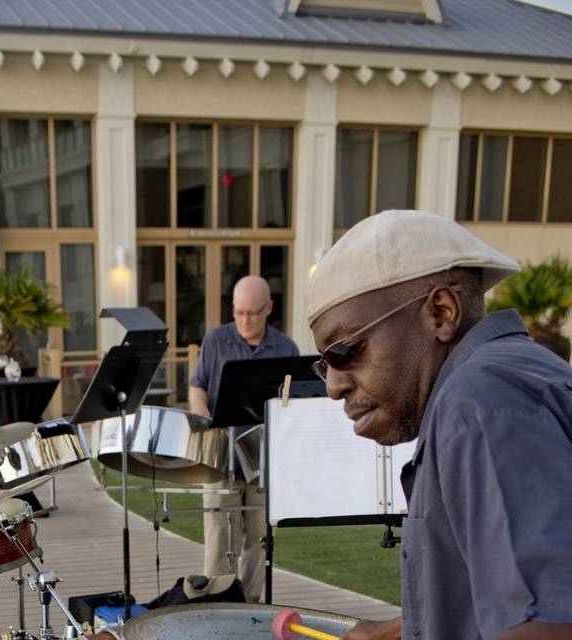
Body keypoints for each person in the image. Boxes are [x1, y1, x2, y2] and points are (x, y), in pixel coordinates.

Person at [307, 210, 572, 640]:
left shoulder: (479, 403)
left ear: (441, 312)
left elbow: (550, 624)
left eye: (346, 349)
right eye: (325, 364)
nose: (333, 387)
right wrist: (399, 630)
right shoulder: (501, 381)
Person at [188, 275, 299, 603]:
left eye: (252, 313)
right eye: (238, 313)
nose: (244, 320)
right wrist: (206, 418)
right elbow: (198, 386)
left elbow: (293, 405)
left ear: (269, 309)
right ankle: (217, 603)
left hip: (264, 459)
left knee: (259, 537)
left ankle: (249, 607)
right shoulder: (216, 340)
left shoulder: (285, 348)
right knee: (219, 535)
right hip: (221, 454)